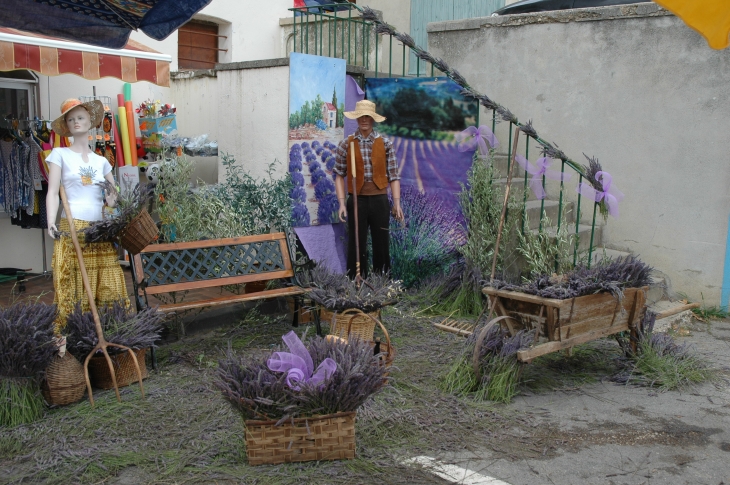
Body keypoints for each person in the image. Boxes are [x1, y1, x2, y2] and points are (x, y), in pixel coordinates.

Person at [46, 98, 129, 332]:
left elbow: (113, 195)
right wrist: (50, 221)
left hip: (99, 229)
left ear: (90, 121)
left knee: (106, 280)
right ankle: (75, 333)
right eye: (70, 119)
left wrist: (113, 201)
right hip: (73, 225)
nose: (76, 122)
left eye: (80, 118)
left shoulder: (101, 161)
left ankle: (107, 329)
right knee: (73, 281)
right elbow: (52, 192)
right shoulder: (59, 155)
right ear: (67, 126)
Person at [334, 100, 404, 279]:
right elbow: (339, 175)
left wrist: (397, 203)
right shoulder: (346, 144)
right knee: (356, 243)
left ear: (373, 119)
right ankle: (356, 282)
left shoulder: (385, 144)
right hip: (357, 200)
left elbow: (394, 176)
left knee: (382, 242)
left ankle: (382, 283)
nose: (364, 120)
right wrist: (342, 203)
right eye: (361, 116)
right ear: (357, 118)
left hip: (380, 200)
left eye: (368, 116)